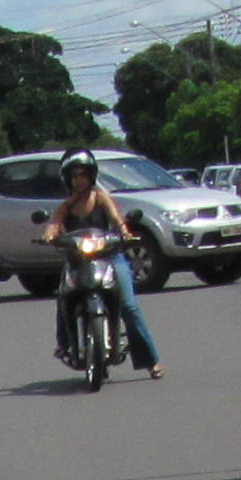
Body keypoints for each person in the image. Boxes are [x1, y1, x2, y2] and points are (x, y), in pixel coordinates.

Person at [45, 149, 160, 379]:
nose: (79, 179)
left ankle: (150, 360)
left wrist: (125, 233)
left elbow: (117, 220)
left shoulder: (101, 198)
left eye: (83, 174)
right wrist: (48, 235)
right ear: (68, 178)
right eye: (75, 175)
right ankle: (65, 343)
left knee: (128, 306)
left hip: (109, 257)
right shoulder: (64, 207)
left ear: (91, 176)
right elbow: (53, 225)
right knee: (64, 296)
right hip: (77, 261)